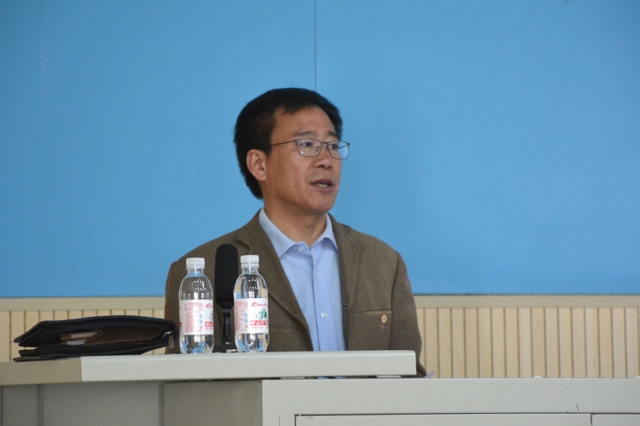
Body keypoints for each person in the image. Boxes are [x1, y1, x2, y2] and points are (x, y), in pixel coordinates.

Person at [164, 88, 426, 376]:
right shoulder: (206, 272)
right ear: (259, 164)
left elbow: (409, 375)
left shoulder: (383, 263)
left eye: (332, 145)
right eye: (307, 144)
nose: (326, 159)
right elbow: (188, 387)